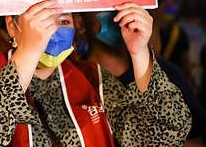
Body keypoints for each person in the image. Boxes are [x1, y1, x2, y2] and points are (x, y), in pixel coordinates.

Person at [0, 0, 191, 146]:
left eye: (63, 22)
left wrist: (139, 54)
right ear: (12, 25)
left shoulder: (93, 78)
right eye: (43, 21)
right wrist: (29, 50)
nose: (53, 31)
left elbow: (163, 137)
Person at [80, 11, 206, 145]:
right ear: (80, 22)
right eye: (103, 9)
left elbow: (195, 140)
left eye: (120, 5)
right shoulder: (72, 80)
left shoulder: (164, 72)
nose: (115, 17)